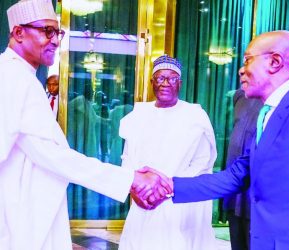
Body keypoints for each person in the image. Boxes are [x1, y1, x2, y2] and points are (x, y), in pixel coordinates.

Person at [143, 31, 289, 249]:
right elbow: (237, 175)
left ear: (275, 62)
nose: (242, 69)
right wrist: (169, 186)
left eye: (248, 60)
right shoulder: (269, 112)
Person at [0, 0, 171, 249]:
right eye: (47, 31)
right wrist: (131, 179)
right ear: (18, 32)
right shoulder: (13, 77)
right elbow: (51, 156)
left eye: (57, 32)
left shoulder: (18, 75)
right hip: (20, 221)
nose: (56, 41)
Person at [118, 55, 218, 250]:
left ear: (179, 83)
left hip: (177, 199)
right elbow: (127, 158)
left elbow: (203, 163)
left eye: (172, 78)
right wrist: (136, 190)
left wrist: (166, 189)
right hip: (142, 199)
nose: (165, 83)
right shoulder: (138, 115)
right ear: (151, 82)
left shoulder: (195, 115)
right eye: (160, 78)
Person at [225, 89, 261, 250]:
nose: (242, 71)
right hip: (234, 194)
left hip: (257, 199)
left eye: (249, 62)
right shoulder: (239, 96)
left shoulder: (280, 103)